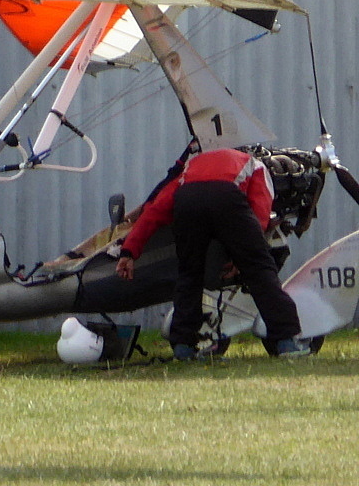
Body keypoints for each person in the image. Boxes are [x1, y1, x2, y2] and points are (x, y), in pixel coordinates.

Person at [115, 145, 310, 359]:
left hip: (187, 199)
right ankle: (287, 342)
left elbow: (154, 212)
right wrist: (245, 252)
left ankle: (183, 348)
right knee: (260, 271)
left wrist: (128, 253)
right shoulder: (256, 166)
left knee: (189, 276)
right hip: (226, 196)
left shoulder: (191, 167)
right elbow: (260, 212)